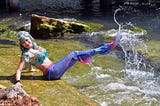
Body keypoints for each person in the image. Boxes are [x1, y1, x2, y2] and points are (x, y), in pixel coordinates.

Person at [15, 31, 121, 87]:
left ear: (30, 39)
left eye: (27, 40)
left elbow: (31, 61)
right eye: (23, 42)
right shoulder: (26, 54)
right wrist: (18, 81)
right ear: (22, 45)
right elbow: (19, 69)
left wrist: (30, 69)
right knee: (74, 54)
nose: (27, 43)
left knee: (75, 57)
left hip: (53, 69)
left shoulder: (34, 47)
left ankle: (86, 57)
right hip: (52, 72)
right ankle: (106, 47)